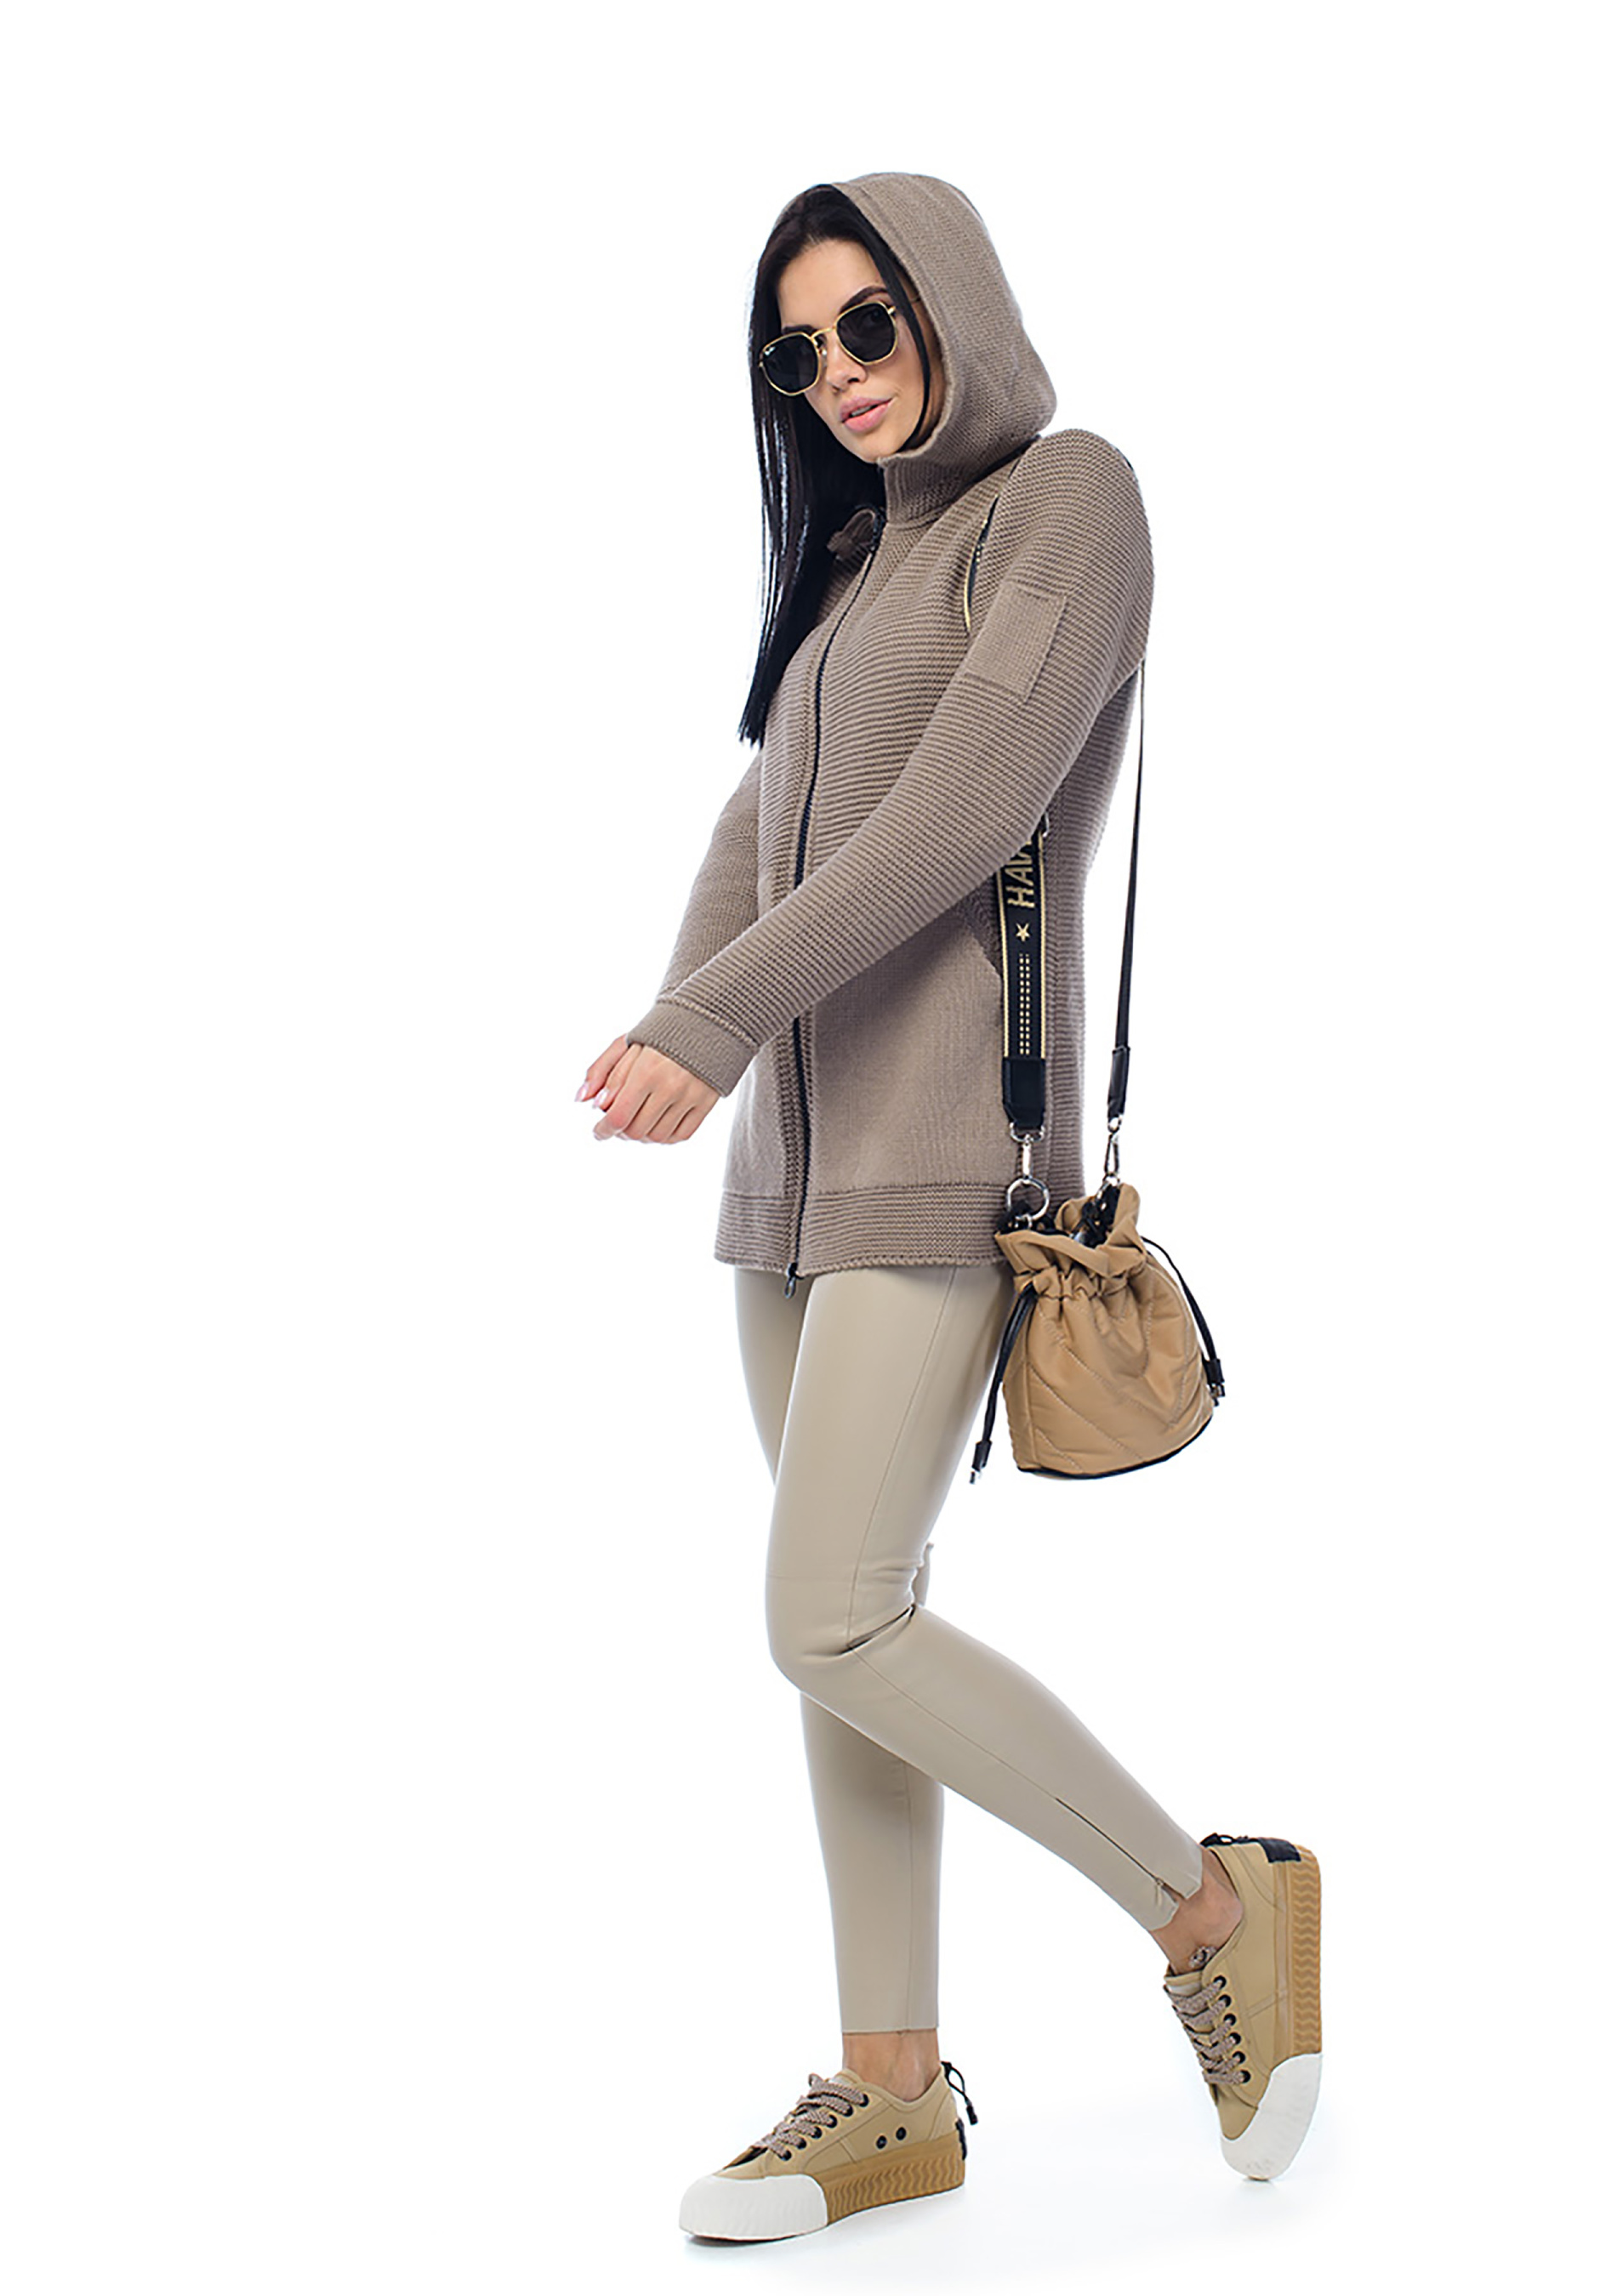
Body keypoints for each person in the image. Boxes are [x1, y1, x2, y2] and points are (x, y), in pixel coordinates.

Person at [578, 172, 1322, 2244]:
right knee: (843, 1643)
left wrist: (717, 1020)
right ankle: (891, 2094)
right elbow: (756, 828)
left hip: (941, 1161)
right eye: (795, 350)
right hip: (792, 1171)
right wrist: (672, 1024)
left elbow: (971, 804)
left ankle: (1209, 1909)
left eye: (866, 325)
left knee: (829, 1613)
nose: (834, 374)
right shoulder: (851, 567)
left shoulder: (1063, 501)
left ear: (950, 307)